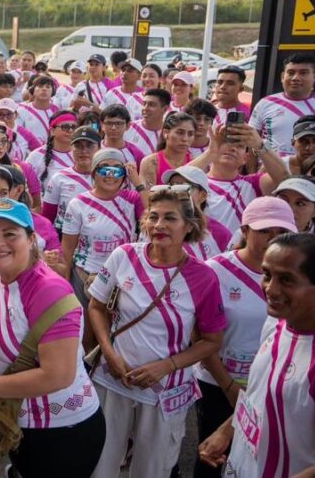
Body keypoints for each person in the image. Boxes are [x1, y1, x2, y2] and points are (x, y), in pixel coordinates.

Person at [0, 198, 105, 476]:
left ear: (32, 239)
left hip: (62, 432)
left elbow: (58, 376)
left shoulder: (48, 290)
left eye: (10, 234)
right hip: (20, 424)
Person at [87, 185, 226, 478]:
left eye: (170, 218)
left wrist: (167, 366)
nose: (159, 225)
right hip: (113, 379)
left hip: (167, 390)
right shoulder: (123, 256)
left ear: (189, 226)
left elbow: (213, 340)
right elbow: (97, 306)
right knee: (100, 464)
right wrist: (110, 354)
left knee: (153, 470)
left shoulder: (204, 277)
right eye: (153, 216)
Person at [198, 232, 315, 478]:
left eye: (286, 280)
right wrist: (228, 430)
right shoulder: (276, 323)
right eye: (267, 275)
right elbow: (259, 391)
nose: (270, 289)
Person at [193, 197, 296, 478]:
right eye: (265, 231)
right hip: (217, 383)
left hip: (271, 387)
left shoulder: (297, 276)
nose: (273, 240)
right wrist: (228, 387)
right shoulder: (214, 270)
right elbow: (200, 335)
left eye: (281, 233)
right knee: (211, 458)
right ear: (245, 229)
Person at [59, 148, 144, 296]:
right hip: (85, 275)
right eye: (104, 169)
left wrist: (138, 184)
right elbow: (67, 248)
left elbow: (152, 217)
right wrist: (65, 284)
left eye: (117, 171)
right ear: (93, 172)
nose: (111, 176)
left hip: (122, 277)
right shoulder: (78, 203)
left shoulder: (133, 199)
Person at [251, 54, 315, 156]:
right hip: (269, 171)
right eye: (291, 73)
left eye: (303, 73)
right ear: (283, 77)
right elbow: (252, 142)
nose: (295, 78)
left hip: (310, 170)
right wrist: (253, 172)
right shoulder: (265, 103)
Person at [41, 127, 100, 229]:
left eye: (89, 146)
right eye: (78, 146)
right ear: (71, 148)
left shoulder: (108, 178)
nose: (84, 151)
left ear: (99, 148)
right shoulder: (59, 178)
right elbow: (48, 218)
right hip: (64, 236)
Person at [140, 111, 196, 188]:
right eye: (180, 133)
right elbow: (146, 196)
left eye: (190, 134)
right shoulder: (151, 162)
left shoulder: (194, 162)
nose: (185, 139)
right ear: (165, 133)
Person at [25, 110, 78, 189]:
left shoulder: (82, 154)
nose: (70, 130)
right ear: (52, 131)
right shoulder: (36, 156)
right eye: (65, 127)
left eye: (74, 127)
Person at [126, 89, 173, 155]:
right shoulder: (128, 128)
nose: (145, 108)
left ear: (165, 109)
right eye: (144, 104)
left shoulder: (169, 134)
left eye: (151, 105)